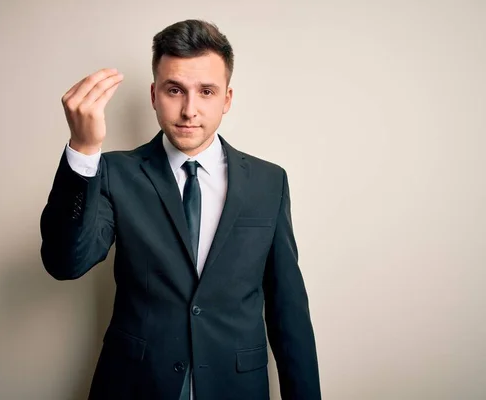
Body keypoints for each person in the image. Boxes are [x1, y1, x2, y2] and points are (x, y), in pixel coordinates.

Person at [40, 19, 321, 400]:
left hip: (235, 386)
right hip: (136, 386)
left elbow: (288, 311)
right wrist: (83, 150)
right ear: (154, 95)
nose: (190, 109)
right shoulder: (114, 173)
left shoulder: (269, 182)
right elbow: (65, 263)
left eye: (206, 91)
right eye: (175, 90)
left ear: (227, 98)